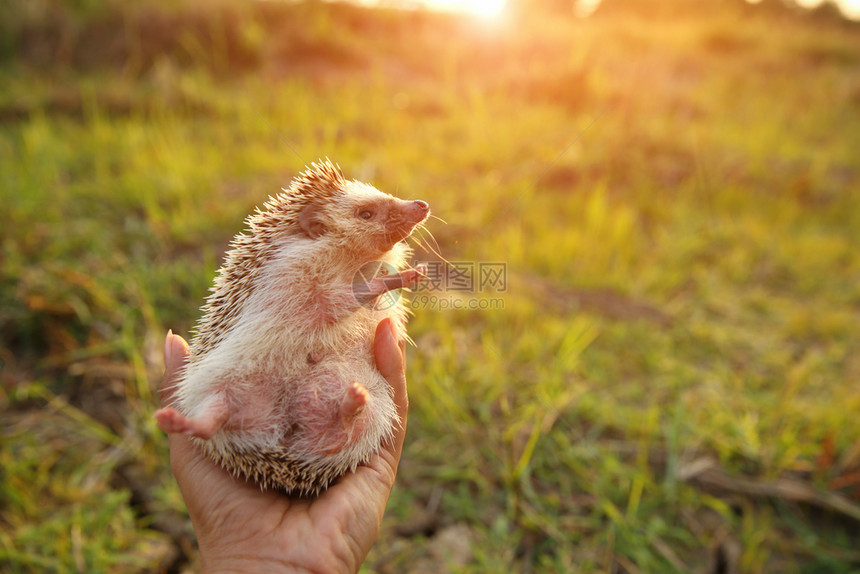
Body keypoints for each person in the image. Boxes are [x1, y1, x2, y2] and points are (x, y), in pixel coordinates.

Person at [158, 318, 408, 573]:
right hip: (295, 403)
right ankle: (345, 415)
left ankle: (208, 420)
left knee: (236, 397)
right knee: (242, 390)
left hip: (284, 402)